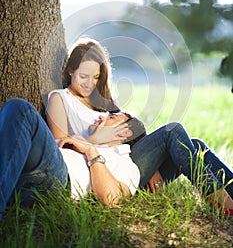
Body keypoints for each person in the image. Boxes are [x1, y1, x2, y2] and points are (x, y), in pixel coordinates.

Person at [47, 37, 233, 216]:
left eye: (95, 77)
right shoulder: (60, 98)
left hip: (131, 163)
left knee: (196, 146)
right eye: (83, 76)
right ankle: (222, 203)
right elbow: (61, 146)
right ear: (70, 70)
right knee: (173, 131)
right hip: (108, 174)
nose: (89, 84)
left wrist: (152, 166)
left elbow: (132, 134)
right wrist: (95, 140)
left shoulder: (100, 101)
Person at [0, 98, 139, 222]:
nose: (102, 117)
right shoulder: (86, 139)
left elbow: (111, 198)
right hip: (26, 169)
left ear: (125, 132)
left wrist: (91, 152)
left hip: (59, 178)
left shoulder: (126, 163)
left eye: (112, 118)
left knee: (22, 109)